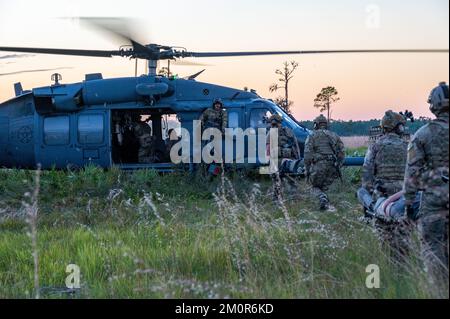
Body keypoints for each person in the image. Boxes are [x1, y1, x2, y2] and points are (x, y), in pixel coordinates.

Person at [404, 82, 449, 286]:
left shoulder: (423, 134)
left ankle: (439, 289)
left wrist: (408, 203)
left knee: (433, 248)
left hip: (434, 203)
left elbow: (412, 173)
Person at [357, 110, 412, 260]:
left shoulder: (375, 146)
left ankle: (389, 264)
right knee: (403, 233)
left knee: (384, 235)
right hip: (403, 197)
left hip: (382, 196)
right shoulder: (407, 146)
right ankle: (403, 264)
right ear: (398, 127)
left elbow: (367, 174)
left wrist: (367, 198)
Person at [304, 114, 345, 212]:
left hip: (318, 165)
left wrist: (307, 169)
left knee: (315, 186)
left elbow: (307, 154)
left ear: (316, 125)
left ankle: (322, 199)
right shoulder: (334, 135)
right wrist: (339, 164)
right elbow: (341, 152)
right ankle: (328, 205)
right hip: (332, 166)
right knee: (327, 186)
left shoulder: (312, 136)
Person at [266, 114, 300, 202]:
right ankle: (294, 200)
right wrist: (297, 160)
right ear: (280, 122)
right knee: (292, 182)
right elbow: (295, 147)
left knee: (277, 182)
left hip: (276, 162)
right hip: (289, 161)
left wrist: (268, 162)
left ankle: (277, 201)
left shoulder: (270, 133)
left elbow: (268, 149)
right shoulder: (289, 131)